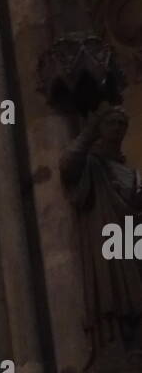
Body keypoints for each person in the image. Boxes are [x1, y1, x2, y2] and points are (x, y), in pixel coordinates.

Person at [60, 103, 142, 354]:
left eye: (121, 124)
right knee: (110, 290)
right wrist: (88, 133)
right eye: (111, 123)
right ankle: (112, 344)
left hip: (129, 240)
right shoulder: (92, 165)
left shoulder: (132, 173)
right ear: (100, 127)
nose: (117, 128)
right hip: (104, 236)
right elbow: (67, 166)